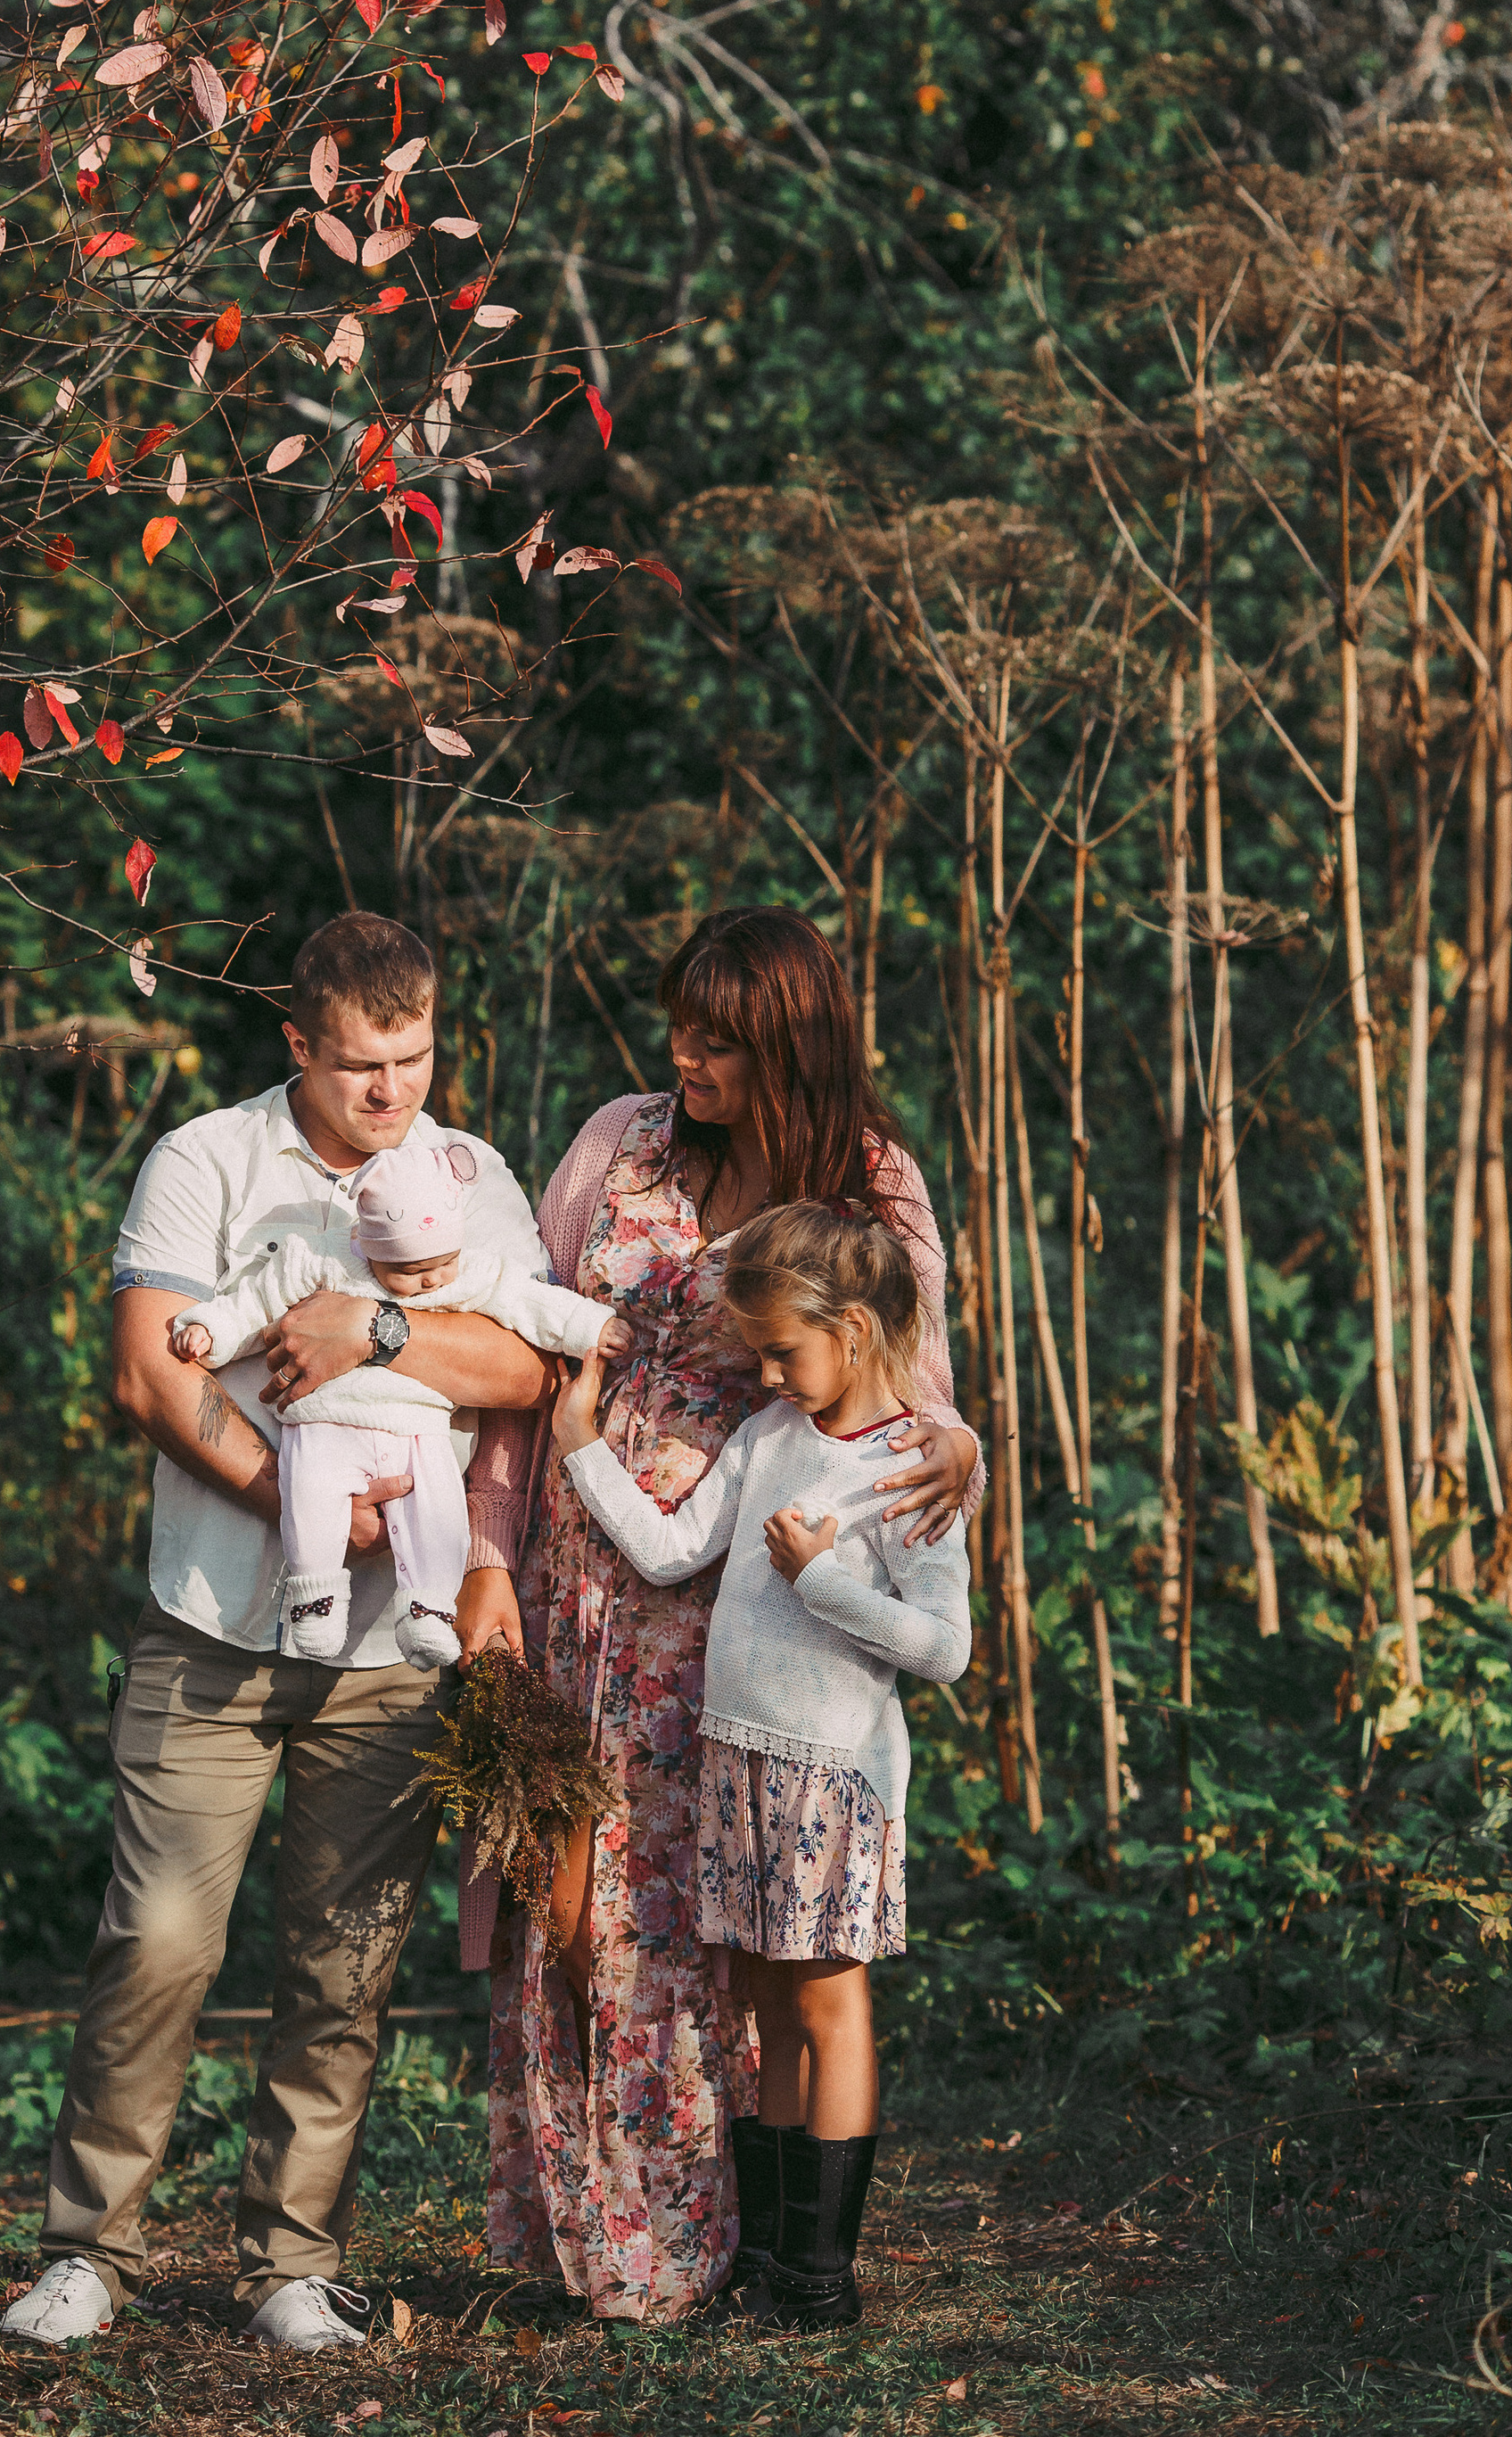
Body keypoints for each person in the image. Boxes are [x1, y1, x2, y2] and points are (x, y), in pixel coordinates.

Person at [0, 911, 550, 2355]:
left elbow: (521, 1365)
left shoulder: (469, 1174)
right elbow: (148, 1375)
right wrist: (299, 1502)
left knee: (342, 1964)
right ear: (298, 1042)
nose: (395, 1094)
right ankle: (87, 2253)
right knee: (160, 1945)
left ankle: (291, 2262)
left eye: (417, 1058)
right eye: (364, 1065)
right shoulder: (208, 1162)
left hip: (394, 1659)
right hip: (213, 1630)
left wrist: (366, 1335)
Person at [456, 903, 983, 2326]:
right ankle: (583, 2237)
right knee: (569, 1912)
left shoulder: (873, 1188)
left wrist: (970, 1455)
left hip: (739, 1626)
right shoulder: (618, 1146)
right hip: (584, 1581)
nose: (683, 1054)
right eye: (678, 1022)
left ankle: (725, 2246)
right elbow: (525, 1362)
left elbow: (913, 1407)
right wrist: (490, 1557)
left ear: (790, 1043)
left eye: (720, 1038)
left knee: (702, 1935)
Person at [549, 1199, 972, 2329]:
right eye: (761, 1353)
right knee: (764, 2015)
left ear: (858, 1327)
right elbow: (672, 1547)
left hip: (832, 1777)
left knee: (830, 2006)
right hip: (737, 1768)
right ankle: (774, 2262)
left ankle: (825, 2281)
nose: (772, 1373)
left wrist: (823, 1583)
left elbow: (944, 1650)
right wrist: (580, 1444)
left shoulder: (914, 1469)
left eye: (786, 1348)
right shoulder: (770, 1437)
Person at [172, 1130, 628, 1668]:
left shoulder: (463, 1273)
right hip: (326, 1421)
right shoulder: (326, 1260)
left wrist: (590, 1327)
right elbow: (257, 1299)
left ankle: (428, 1610)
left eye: (441, 1264)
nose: (430, 1280)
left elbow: (529, 1303)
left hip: (419, 1428)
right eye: (409, 1272)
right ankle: (314, 1599)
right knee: (311, 1500)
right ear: (366, 1247)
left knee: (437, 1514)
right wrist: (212, 1328)